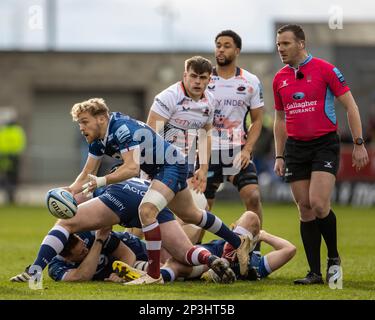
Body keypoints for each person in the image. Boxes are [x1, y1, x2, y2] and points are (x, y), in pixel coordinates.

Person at [68, 97, 254, 284]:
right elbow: (86, 173)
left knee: (146, 211)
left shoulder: (120, 128)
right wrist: (69, 191)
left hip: (169, 165)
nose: (81, 127)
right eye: (79, 123)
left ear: (101, 119)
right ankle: (239, 242)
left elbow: (132, 168)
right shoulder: (98, 140)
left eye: (84, 122)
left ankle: (154, 275)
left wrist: (102, 180)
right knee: (191, 215)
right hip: (165, 167)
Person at [273, 24, 369, 285]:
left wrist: (359, 143)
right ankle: (314, 272)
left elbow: (351, 105)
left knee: (318, 203)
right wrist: (279, 156)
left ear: (301, 44)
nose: (280, 48)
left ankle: (334, 259)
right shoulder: (279, 78)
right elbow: (280, 119)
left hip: (324, 144)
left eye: (285, 43)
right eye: (278, 43)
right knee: (304, 209)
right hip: (295, 147)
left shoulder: (326, 69)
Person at [10, 178, 236, 284]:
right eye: (78, 248)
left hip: (130, 210)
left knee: (178, 255)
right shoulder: (60, 264)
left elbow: (125, 253)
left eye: (84, 125)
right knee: (184, 252)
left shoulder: (89, 234)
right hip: (144, 194)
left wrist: (99, 182)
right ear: (65, 255)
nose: (83, 245)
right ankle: (218, 256)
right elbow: (81, 277)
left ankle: (229, 250)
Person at [205, 30, 264, 255]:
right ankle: (189, 255)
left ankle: (254, 249)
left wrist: (248, 149)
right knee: (202, 208)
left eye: (227, 45)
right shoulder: (203, 78)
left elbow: (257, 120)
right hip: (208, 152)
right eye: (218, 45)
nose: (221, 49)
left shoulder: (250, 81)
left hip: (237, 150)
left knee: (253, 196)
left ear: (237, 50)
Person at [146, 56, 214, 242]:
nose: (198, 81)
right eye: (193, 76)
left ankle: (183, 260)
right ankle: (138, 257)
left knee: (199, 212)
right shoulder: (168, 97)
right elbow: (149, 135)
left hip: (185, 168)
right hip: (159, 167)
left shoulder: (210, 101)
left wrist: (204, 167)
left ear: (209, 79)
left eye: (203, 77)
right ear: (185, 75)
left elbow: (206, 134)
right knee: (148, 214)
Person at [0, 112, 26, 204]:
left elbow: (21, 143)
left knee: (12, 177)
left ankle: (12, 195)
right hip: (5, 157)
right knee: (7, 177)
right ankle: (9, 195)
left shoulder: (15, 130)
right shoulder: (13, 130)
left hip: (13, 157)